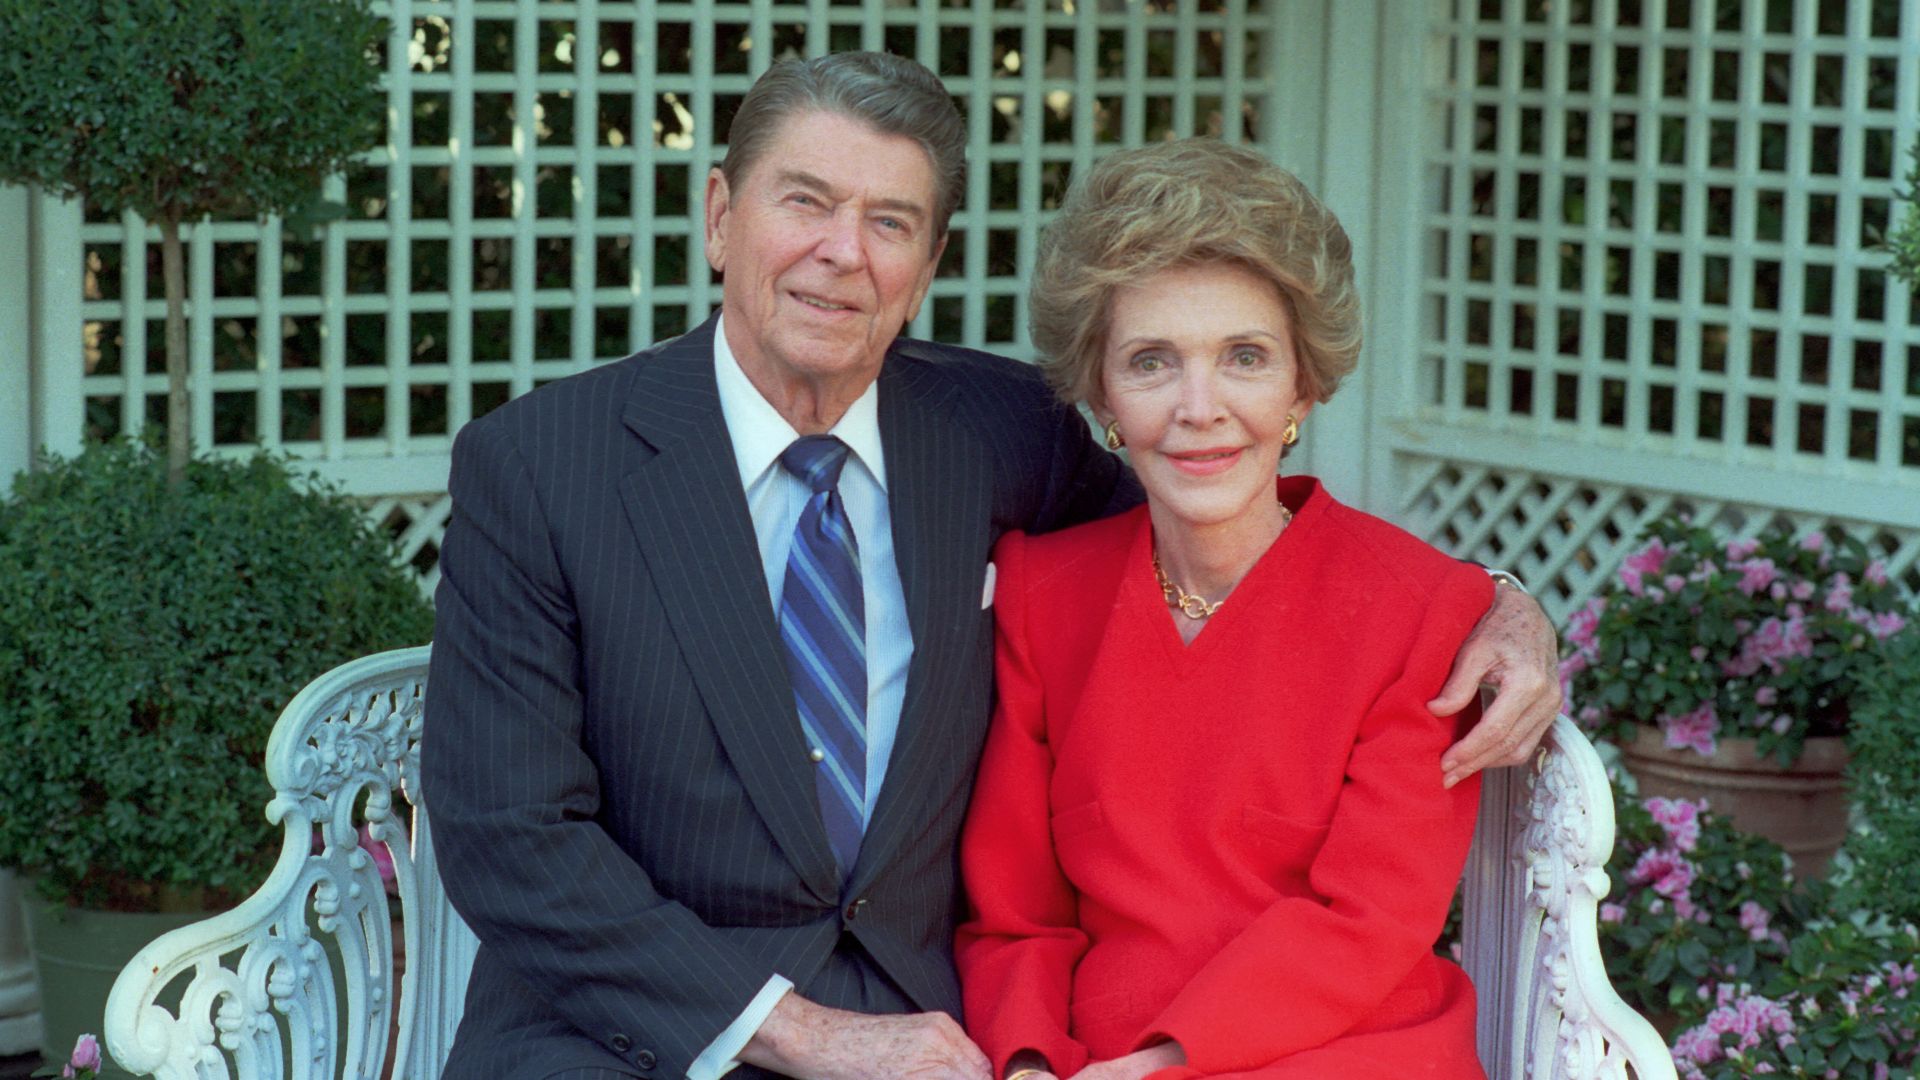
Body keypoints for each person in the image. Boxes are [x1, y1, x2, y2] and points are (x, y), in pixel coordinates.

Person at [423, 52, 1553, 1080]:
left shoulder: (1003, 433)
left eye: (890, 221)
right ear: (722, 215)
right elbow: (512, 838)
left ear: (929, 263)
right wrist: (805, 1034)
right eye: (804, 201)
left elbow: (1233, 530)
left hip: (940, 1028)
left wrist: (1502, 609)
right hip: (644, 1036)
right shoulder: (542, 469)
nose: (841, 253)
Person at [955, 141, 1491, 1080]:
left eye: (1244, 358)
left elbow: (1370, 923)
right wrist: (1033, 1062)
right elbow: (1017, 917)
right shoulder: (1044, 597)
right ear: (1103, 395)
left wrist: (1161, 1065)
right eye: (1153, 362)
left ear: (1302, 386)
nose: (1200, 408)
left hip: (1346, 1051)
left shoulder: (1418, 611)